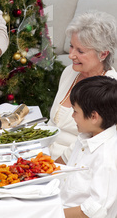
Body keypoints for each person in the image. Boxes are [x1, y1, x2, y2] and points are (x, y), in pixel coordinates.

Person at [48, 11, 117, 161]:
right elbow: (52, 123)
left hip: (71, 164)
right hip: (44, 156)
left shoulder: (109, 89)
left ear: (103, 54)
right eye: (71, 46)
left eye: (80, 51)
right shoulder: (69, 72)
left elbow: (91, 143)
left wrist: (50, 167)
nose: (71, 55)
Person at [58, 76, 117, 218]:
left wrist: (50, 214)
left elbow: (94, 210)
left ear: (93, 117)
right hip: (61, 206)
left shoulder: (106, 155)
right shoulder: (85, 137)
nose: (72, 116)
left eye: (75, 111)